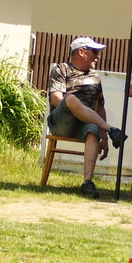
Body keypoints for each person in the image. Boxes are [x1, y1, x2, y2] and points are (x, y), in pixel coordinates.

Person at [47, 36, 127, 199]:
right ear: (81, 52)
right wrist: (75, 108)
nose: (98, 56)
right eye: (95, 52)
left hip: (84, 122)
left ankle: (87, 182)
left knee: (92, 130)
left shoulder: (95, 77)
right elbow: (55, 98)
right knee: (70, 99)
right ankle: (112, 129)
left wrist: (104, 138)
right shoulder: (61, 69)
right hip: (62, 120)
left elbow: (100, 106)